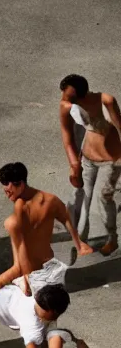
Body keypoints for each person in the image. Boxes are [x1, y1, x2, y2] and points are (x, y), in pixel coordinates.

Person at [0, 162, 93, 301]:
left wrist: (28, 278)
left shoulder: (21, 207)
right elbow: (67, 220)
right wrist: (79, 244)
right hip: (49, 264)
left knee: (12, 227)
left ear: (20, 184)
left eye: (9, 192)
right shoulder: (51, 199)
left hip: (36, 274)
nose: (7, 195)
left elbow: (21, 254)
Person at [60, 74, 121, 256]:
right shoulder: (67, 106)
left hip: (111, 160)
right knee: (83, 197)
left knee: (104, 198)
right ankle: (81, 240)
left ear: (81, 95)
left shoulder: (106, 101)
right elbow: (67, 137)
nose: (64, 100)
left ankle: (112, 238)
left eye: (69, 96)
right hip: (87, 158)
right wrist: (74, 164)